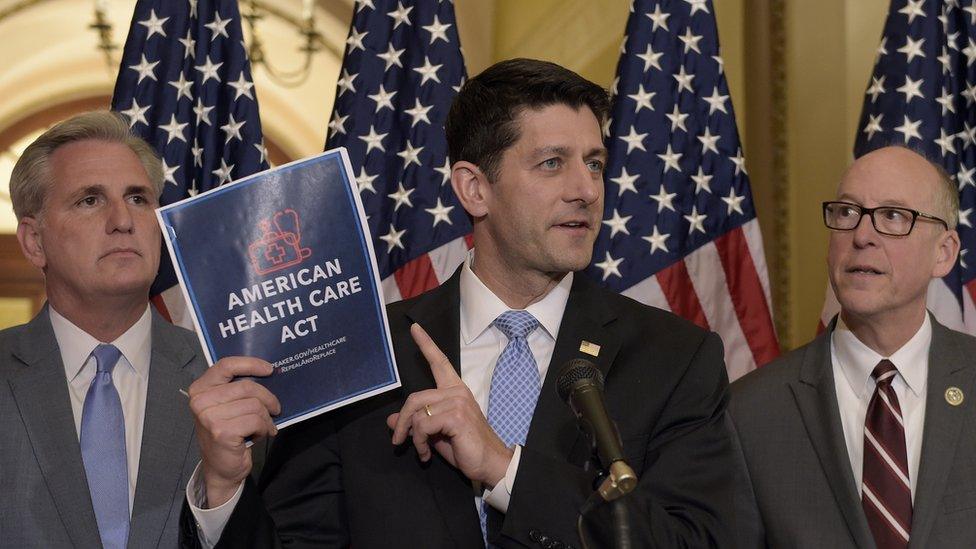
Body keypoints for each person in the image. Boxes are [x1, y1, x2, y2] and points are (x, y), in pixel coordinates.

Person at [183, 58, 735, 548]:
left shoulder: (675, 358)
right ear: (474, 189)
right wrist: (225, 486)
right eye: (551, 163)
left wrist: (503, 469)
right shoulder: (360, 355)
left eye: (593, 162)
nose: (586, 190)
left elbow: (699, 540)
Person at [729, 145, 976, 548]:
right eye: (847, 213)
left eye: (893, 216)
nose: (862, 236)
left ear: (944, 253)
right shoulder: (749, 412)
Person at [0, 111, 212, 548]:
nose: (123, 220)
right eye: (89, 200)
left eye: (138, 198)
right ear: (34, 242)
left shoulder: (223, 375)